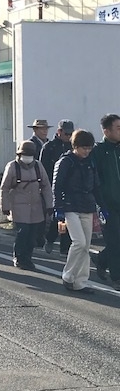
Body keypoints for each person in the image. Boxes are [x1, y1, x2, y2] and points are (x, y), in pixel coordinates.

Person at [53, 129, 100, 294]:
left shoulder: (90, 162)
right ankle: (68, 276)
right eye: (83, 148)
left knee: (86, 246)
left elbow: (96, 186)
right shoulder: (66, 161)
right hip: (69, 206)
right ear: (75, 146)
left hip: (87, 206)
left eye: (89, 148)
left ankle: (80, 282)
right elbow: (57, 187)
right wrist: (58, 209)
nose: (86, 151)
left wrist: (102, 207)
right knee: (79, 242)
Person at [0, 140, 53, 271]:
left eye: (30, 155)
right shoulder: (12, 167)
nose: (28, 157)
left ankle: (28, 258)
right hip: (19, 206)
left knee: (32, 235)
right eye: (25, 154)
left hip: (35, 206)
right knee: (23, 232)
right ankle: (19, 257)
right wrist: (5, 206)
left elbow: (46, 186)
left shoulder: (38, 166)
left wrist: (49, 204)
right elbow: (4, 188)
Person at [91, 114, 120, 290]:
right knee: (115, 241)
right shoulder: (98, 151)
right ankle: (116, 278)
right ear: (106, 130)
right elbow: (94, 180)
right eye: (118, 128)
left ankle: (101, 260)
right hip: (108, 204)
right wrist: (99, 203)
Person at [40, 119, 74, 254]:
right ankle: (50, 239)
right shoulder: (49, 147)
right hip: (53, 186)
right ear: (59, 132)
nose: (69, 136)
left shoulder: (72, 146)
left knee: (70, 218)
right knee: (57, 217)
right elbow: (43, 168)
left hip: (70, 187)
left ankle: (64, 248)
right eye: (66, 134)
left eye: (71, 134)